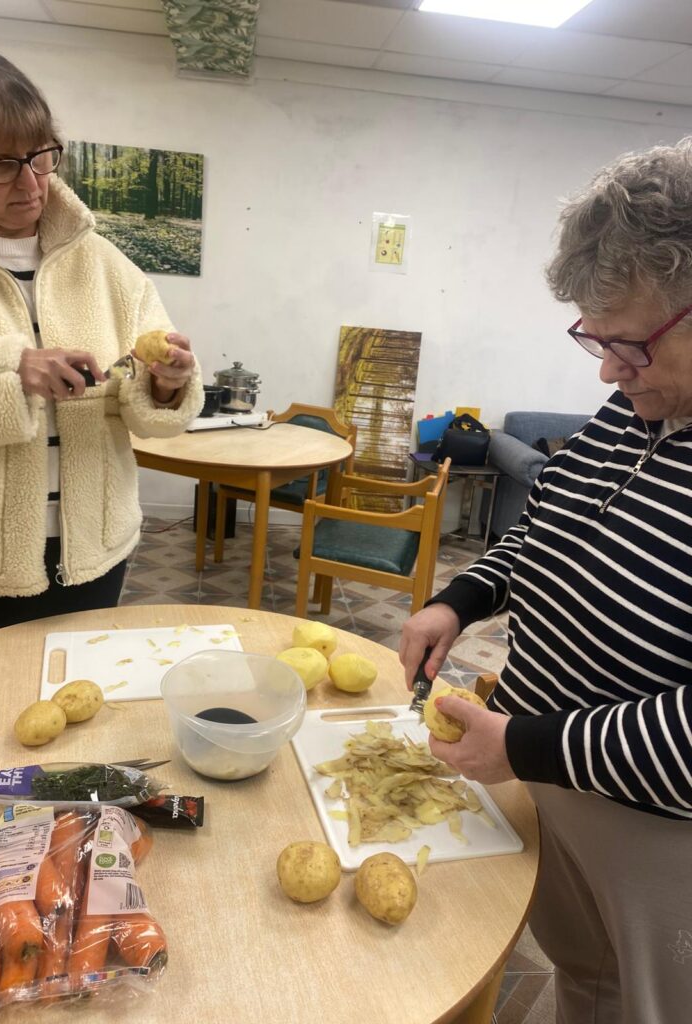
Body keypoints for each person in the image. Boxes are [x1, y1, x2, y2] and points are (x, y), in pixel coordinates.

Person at [400, 138, 692, 1024]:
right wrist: (466, 596)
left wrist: (528, 749)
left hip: (653, 830)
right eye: (595, 340)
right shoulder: (640, 400)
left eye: (630, 345)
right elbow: (549, 530)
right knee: (585, 975)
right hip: (551, 770)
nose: (607, 372)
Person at [0, 23, 203, 654]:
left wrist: (165, 383)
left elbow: (153, 411)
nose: (30, 184)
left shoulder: (104, 264)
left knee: (71, 725)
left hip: (91, 555)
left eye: (42, 155)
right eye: (1, 164)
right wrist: (8, 372)